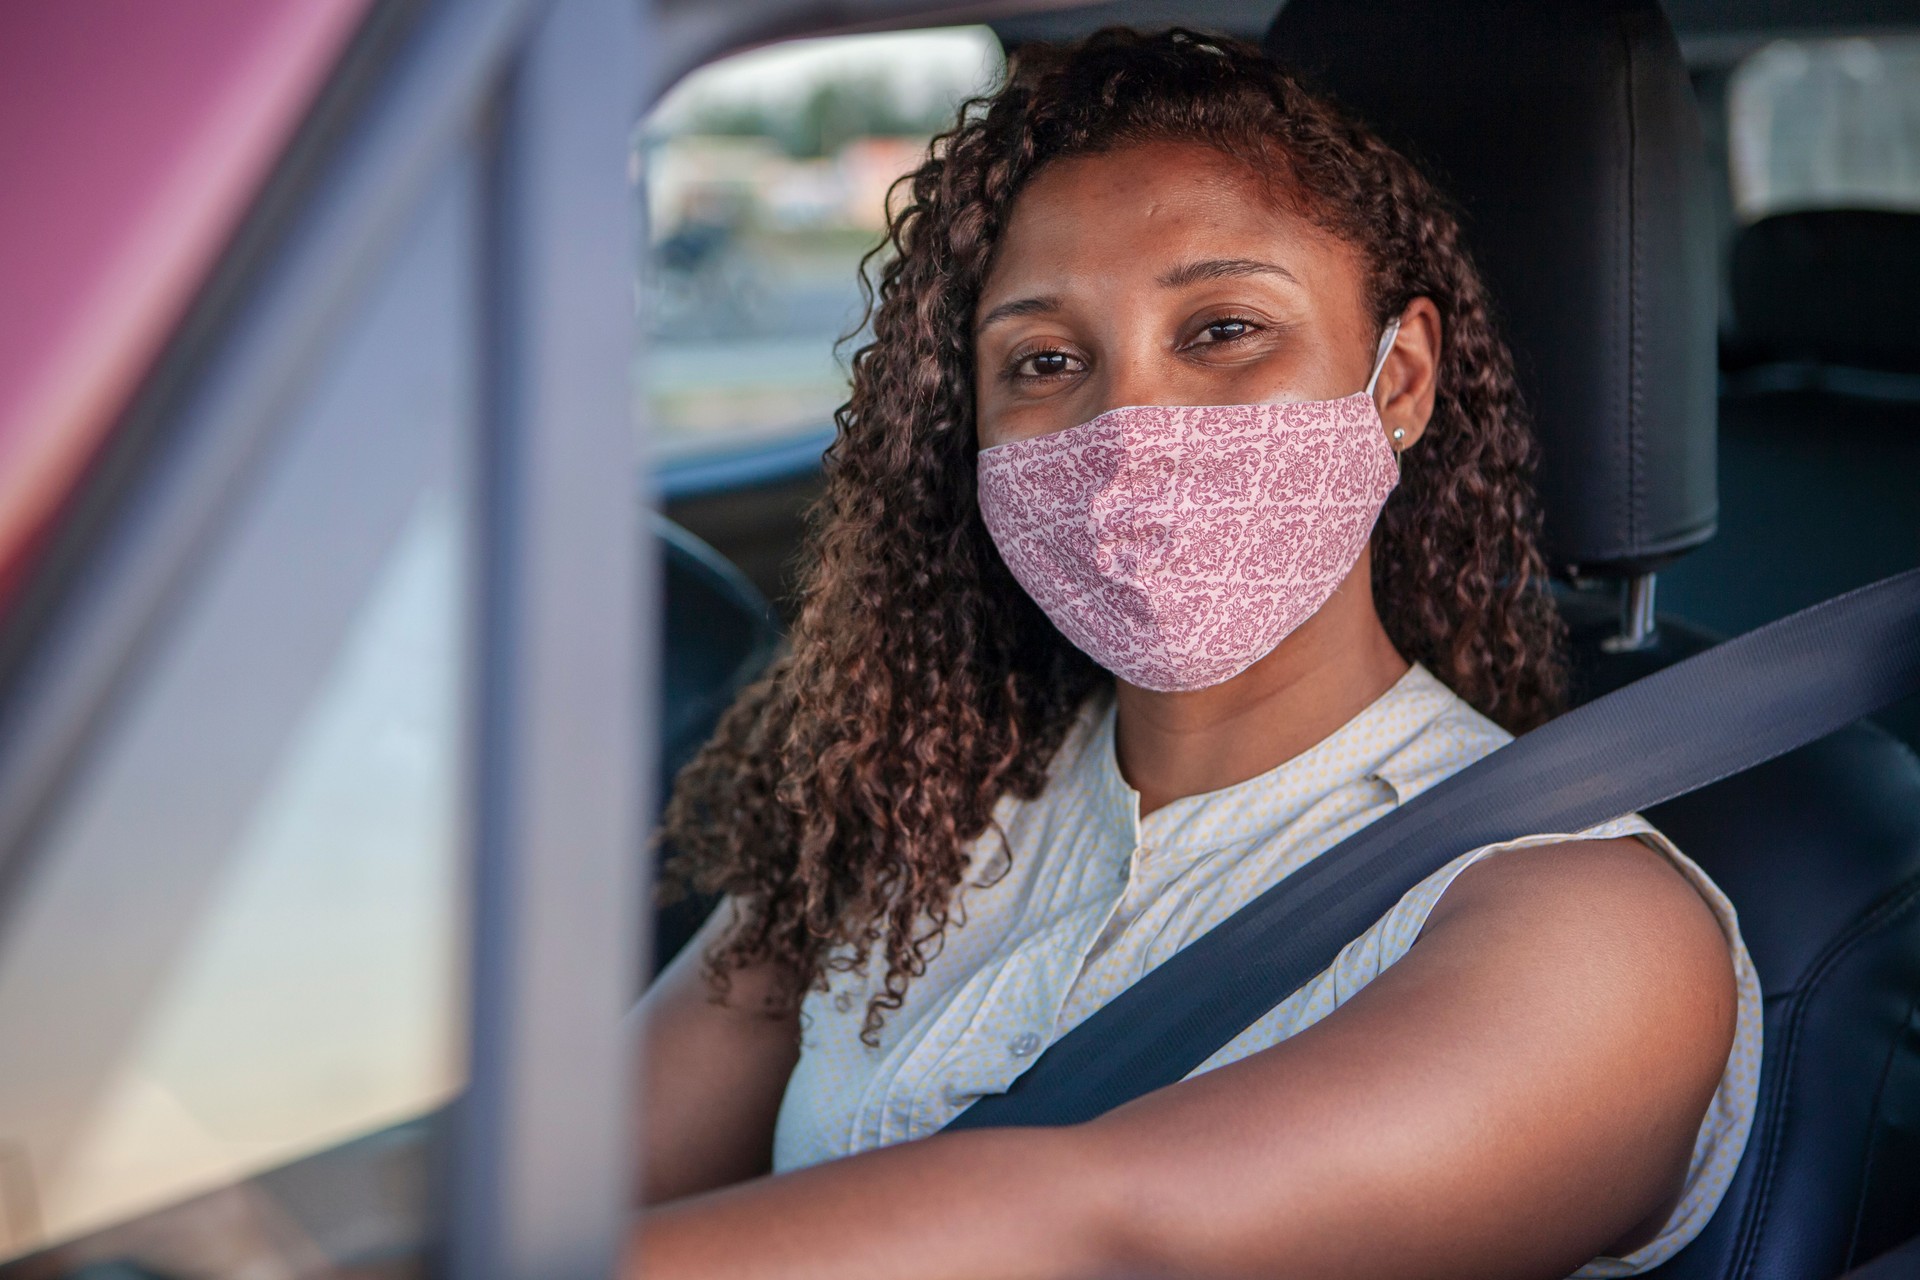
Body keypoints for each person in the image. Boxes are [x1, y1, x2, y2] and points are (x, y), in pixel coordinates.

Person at [630, 27, 1759, 1280]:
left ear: (1401, 381)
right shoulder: (897, 801)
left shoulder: (1591, 927)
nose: (1129, 426)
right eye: (1046, 360)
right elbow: (570, 1163)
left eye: (1223, 329)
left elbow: (1111, 1228)